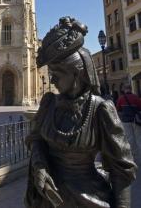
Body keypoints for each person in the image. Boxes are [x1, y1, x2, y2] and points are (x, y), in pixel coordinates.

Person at [25, 16, 136, 208]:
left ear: (76, 74)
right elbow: (36, 139)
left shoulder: (100, 109)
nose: (52, 81)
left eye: (57, 75)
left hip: (88, 199)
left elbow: (122, 170)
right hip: (48, 200)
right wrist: (39, 165)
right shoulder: (49, 103)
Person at [116, 84, 141, 164]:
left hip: (126, 122)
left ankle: (134, 158)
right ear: (130, 89)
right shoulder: (136, 97)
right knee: (139, 138)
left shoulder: (121, 98)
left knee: (130, 139)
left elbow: (118, 110)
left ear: (124, 89)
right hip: (136, 121)